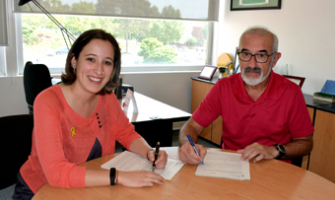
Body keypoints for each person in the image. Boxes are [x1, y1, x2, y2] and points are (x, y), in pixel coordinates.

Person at [13, 29, 168, 200]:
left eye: (107, 62)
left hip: (87, 184)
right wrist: (120, 177)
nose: (99, 70)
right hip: (41, 190)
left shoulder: (106, 97)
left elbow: (125, 132)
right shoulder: (48, 101)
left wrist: (149, 152)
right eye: (91, 59)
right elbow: (56, 173)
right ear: (74, 60)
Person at [179, 27, 314, 165]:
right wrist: (187, 145)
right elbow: (191, 127)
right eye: (246, 54)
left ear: (274, 59)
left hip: (274, 166)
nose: (252, 64)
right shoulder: (223, 87)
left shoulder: (291, 92)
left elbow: (305, 143)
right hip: (232, 164)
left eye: (261, 56)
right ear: (238, 55)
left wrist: (273, 150)